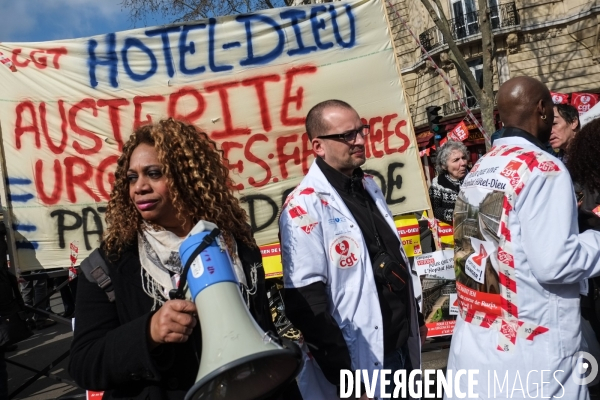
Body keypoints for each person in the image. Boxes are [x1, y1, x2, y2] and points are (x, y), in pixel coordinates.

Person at [69, 119, 289, 400]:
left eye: (154, 173)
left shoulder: (236, 246)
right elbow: (84, 364)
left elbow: (263, 333)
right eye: (132, 177)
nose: (140, 187)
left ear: (188, 177)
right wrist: (148, 332)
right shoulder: (107, 264)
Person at [446, 76, 600, 399]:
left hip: (480, 346)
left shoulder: (480, 168)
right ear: (542, 109)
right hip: (535, 357)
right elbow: (556, 263)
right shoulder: (544, 169)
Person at [280, 100, 425, 400]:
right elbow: (307, 303)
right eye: (347, 135)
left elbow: (393, 259)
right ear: (318, 146)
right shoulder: (303, 206)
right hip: (361, 364)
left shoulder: (369, 186)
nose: (359, 140)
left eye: (361, 130)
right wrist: (347, 378)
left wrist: (417, 320)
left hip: (401, 350)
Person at [429, 140, 468, 224]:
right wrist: (457, 215)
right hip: (449, 233)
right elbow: (435, 210)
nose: (462, 163)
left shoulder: (474, 178)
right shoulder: (438, 183)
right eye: (456, 160)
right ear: (444, 166)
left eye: (463, 158)